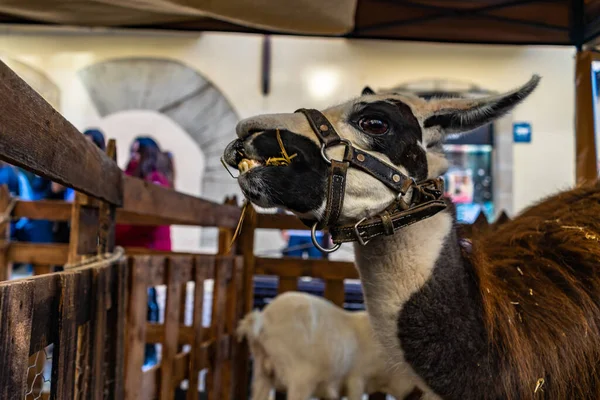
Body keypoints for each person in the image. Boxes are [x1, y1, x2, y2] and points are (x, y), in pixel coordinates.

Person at [115, 136, 172, 367]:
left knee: (145, 301)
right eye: (132, 152)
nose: (133, 157)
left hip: (146, 250)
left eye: (138, 152)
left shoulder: (155, 179)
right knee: (131, 301)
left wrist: (118, 227)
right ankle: (130, 351)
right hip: (130, 248)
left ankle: (146, 354)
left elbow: (147, 218)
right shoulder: (137, 175)